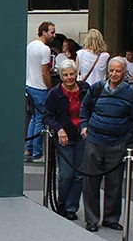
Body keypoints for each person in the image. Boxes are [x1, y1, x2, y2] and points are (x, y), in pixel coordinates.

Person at [79, 58, 133, 233]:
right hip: (94, 140)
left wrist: (125, 139)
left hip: (116, 143)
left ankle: (111, 218)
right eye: (111, 70)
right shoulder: (97, 88)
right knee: (90, 182)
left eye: (118, 71)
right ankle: (91, 219)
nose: (114, 74)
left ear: (124, 72)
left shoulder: (131, 93)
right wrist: (84, 126)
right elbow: (85, 108)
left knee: (114, 183)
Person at [43, 58, 88, 222]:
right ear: (61, 76)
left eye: (72, 74)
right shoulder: (55, 94)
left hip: (81, 136)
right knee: (66, 175)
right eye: (66, 75)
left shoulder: (85, 89)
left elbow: (90, 108)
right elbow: (46, 116)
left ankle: (71, 207)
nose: (70, 77)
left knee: (79, 175)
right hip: (64, 137)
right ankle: (61, 202)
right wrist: (59, 129)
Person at [25, 21, 56, 162]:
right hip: (40, 88)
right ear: (44, 32)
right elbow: (45, 73)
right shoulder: (45, 50)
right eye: (52, 32)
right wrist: (50, 88)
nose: (54, 35)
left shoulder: (30, 45)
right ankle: (37, 153)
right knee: (41, 120)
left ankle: (29, 149)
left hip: (29, 85)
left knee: (34, 118)